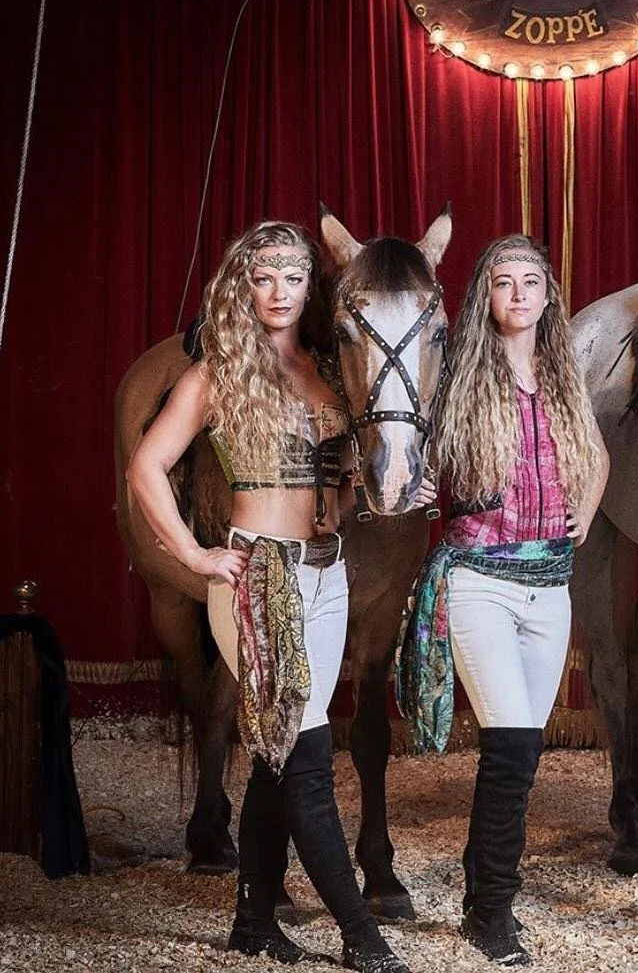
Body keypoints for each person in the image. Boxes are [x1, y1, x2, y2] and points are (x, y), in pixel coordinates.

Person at [127, 221, 408, 973]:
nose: (279, 292)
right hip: (260, 580)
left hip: (327, 574)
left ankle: (251, 922)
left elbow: (348, 475)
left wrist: (369, 492)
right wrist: (192, 553)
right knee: (309, 761)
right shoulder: (218, 373)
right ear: (242, 286)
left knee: (276, 761)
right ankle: (362, 934)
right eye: (263, 277)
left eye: (293, 277)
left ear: (311, 287)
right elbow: (147, 467)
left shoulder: (328, 368)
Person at [398, 235, 608, 966]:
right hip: (478, 576)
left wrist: (586, 509)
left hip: (550, 583)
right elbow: (404, 446)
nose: (518, 294)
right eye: (503, 282)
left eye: (530, 282)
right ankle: (491, 911)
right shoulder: (455, 370)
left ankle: (481, 894)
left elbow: (596, 455)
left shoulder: (562, 372)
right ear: (484, 295)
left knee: (520, 753)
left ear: (548, 295)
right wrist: (416, 483)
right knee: (512, 743)